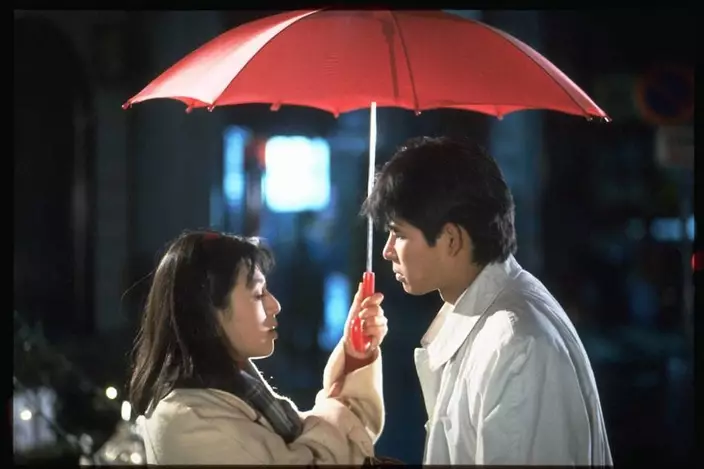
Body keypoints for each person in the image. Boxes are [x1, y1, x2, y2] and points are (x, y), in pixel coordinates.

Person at [361, 136, 613, 465]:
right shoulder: (485, 315)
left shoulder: (516, 345)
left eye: (400, 234)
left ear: (451, 239)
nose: (387, 251)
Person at [128, 230, 388, 465]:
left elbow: (333, 442)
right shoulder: (189, 421)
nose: (275, 305)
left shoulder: (237, 393)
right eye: (258, 293)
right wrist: (337, 409)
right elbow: (322, 453)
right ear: (207, 312)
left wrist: (356, 354)